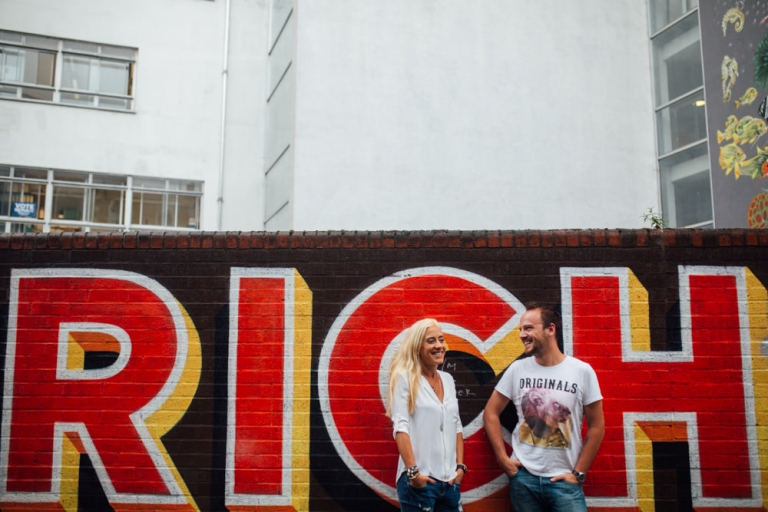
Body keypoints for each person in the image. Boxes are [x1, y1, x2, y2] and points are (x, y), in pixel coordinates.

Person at [483, 303, 604, 512]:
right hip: (524, 479)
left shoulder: (581, 371)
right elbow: (490, 413)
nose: (522, 334)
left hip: (565, 481)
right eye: (521, 329)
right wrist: (503, 459)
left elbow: (597, 426)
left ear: (550, 329)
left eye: (528, 328)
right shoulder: (518, 369)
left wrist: (579, 473)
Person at [386, 318, 465, 512]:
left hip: (450, 483)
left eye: (441, 339)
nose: (439, 346)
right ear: (417, 347)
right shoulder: (405, 378)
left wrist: (460, 467)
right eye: (431, 341)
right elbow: (401, 428)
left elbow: (456, 425)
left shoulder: (448, 380)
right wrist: (414, 474)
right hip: (420, 482)